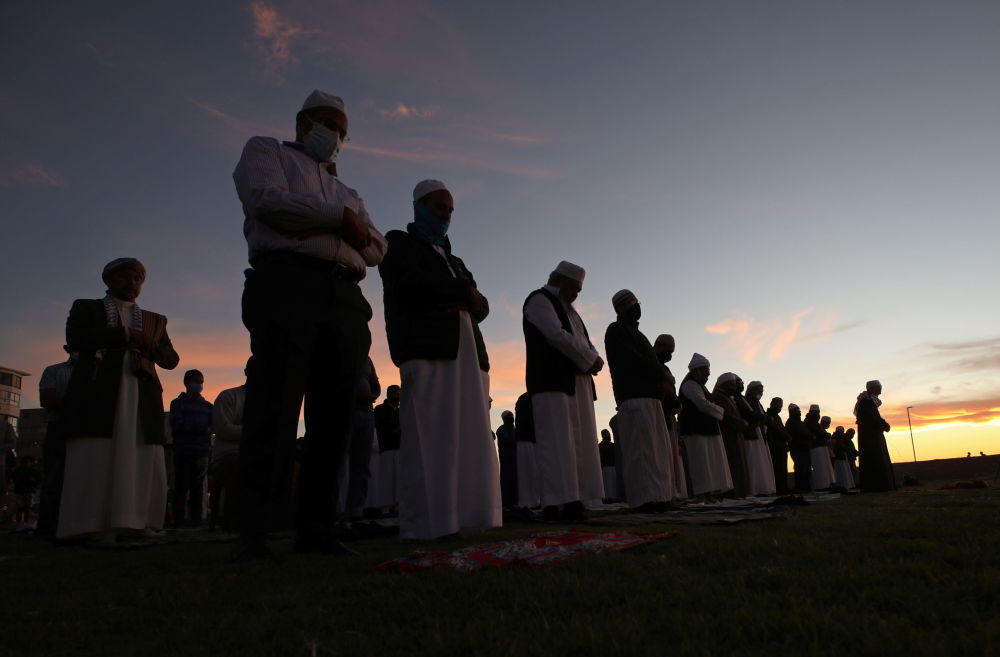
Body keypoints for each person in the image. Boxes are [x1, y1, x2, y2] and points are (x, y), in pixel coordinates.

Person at [234, 90, 387, 558]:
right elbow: (267, 202)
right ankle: (257, 529)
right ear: (303, 122)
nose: (335, 135)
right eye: (328, 124)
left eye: (342, 130)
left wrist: (322, 220)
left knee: (334, 415)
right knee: (275, 403)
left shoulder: (348, 192)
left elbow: (376, 249)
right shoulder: (268, 152)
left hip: (344, 296)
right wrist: (340, 222)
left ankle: (317, 529)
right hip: (286, 283)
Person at [379, 179, 500, 539]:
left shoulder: (455, 260)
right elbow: (410, 284)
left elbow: (483, 307)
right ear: (419, 207)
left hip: (467, 353)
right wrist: (463, 293)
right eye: (438, 208)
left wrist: (464, 296)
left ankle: (468, 515)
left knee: (468, 436)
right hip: (427, 348)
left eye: (450, 210)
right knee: (431, 437)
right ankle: (429, 522)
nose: (445, 215)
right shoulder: (398, 243)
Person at [58, 258, 179, 543]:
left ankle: (138, 522)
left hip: (142, 394)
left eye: (137, 279)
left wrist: (147, 344)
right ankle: (92, 525)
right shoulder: (87, 308)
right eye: (125, 277)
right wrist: (124, 334)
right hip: (97, 392)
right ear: (110, 280)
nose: (132, 283)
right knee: (97, 454)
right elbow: (77, 338)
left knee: (142, 454)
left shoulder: (155, 320)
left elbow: (171, 359)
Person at [522, 261, 605, 521]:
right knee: (556, 443)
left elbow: (584, 342)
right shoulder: (539, 300)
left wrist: (594, 357)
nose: (576, 294)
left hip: (575, 383)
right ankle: (555, 502)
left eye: (579, 290)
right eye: (573, 288)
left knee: (576, 443)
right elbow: (555, 335)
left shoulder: (573, 313)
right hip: (551, 382)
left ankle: (574, 499)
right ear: (558, 281)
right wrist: (589, 359)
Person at [604, 290, 678, 511]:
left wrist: (661, 382)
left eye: (636, 301)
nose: (635, 305)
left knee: (656, 452)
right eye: (629, 302)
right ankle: (645, 499)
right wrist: (661, 375)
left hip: (652, 398)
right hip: (634, 397)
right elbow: (630, 360)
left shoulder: (639, 335)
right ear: (619, 307)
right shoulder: (615, 330)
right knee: (641, 451)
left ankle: (660, 496)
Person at [35, 348, 76, 537]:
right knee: (54, 475)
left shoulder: (98, 370)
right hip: (58, 426)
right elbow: (47, 398)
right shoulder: (54, 370)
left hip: (84, 428)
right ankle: (48, 525)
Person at [678, 354, 732, 499]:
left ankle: (710, 493)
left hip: (707, 429)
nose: (708, 374)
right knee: (701, 463)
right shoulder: (690, 385)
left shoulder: (700, 385)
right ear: (696, 370)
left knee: (712, 463)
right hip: (695, 429)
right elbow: (702, 404)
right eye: (705, 370)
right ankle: (702, 494)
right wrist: (721, 411)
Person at [169, 369, 213, 527]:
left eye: (201, 382)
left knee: (198, 489)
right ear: (186, 382)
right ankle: (179, 522)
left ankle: (196, 522)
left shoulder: (208, 407)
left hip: (201, 452)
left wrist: (200, 430)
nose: (199, 385)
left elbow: (213, 427)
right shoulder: (177, 403)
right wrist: (201, 429)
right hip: (183, 452)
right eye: (196, 381)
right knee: (181, 487)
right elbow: (177, 425)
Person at [209, 362, 248, 532]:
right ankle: (232, 521)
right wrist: (253, 432)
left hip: (254, 453)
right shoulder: (229, 396)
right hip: (228, 455)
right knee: (237, 464)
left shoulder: (267, 401)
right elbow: (223, 429)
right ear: (247, 372)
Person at [343, 357, 380, 520]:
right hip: (345, 412)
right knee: (339, 463)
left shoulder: (367, 359)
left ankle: (356, 509)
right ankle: (335, 510)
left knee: (362, 464)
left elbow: (375, 382)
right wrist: (358, 394)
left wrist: (373, 395)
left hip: (367, 414)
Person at [653, 334, 688, 501]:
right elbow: (661, 388)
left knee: (671, 456)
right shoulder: (652, 364)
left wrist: (677, 404)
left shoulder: (664, 367)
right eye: (668, 351)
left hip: (668, 416)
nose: (670, 355)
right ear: (659, 346)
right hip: (657, 414)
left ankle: (672, 492)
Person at [712, 373, 750, 498]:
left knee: (738, 465)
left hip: (735, 435)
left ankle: (739, 493)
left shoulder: (728, 397)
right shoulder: (718, 397)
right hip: (727, 436)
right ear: (724, 384)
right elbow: (725, 416)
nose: (734, 387)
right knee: (731, 465)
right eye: (732, 384)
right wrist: (741, 423)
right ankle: (732, 494)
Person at [855, 380, 895, 492]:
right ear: (871, 388)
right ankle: (878, 486)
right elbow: (872, 418)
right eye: (878, 387)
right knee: (876, 459)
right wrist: (884, 425)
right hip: (871, 437)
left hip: (872, 435)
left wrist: (883, 424)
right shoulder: (866, 402)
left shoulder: (869, 401)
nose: (880, 388)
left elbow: (875, 416)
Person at [742, 381, 776, 496]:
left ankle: (763, 488)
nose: (761, 393)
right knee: (754, 463)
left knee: (762, 463)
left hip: (761, 436)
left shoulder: (758, 403)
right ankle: (755, 489)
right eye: (759, 391)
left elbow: (763, 417)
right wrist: (765, 418)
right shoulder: (746, 401)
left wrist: (767, 419)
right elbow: (752, 415)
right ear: (751, 390)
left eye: (762, 391)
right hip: (752, 436)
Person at [373, 385, 401, 514]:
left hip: (399, 448)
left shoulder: (400, 410)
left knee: (398, 479)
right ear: (389, 394)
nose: (397, 397)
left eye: (399, 394)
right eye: (395, 394)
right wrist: (396, 429)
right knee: (386, 479)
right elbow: (382, 426)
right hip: (386, 448)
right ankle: (385, 507)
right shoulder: (380, 409)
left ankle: (396, 505)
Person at [514, 392, 540, 509]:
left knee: (526, 473)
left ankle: (529, 501)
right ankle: (533, 501)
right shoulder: (530, 398)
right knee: (532, 472)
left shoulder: (523, 398)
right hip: (530, 439)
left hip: (525, 439)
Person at [764, 397, 790, 495]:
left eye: (781, 406)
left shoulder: (776, 416)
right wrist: (787, 437)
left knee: (783, 469)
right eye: (778, 405)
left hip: (781, 446)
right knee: (778, 469)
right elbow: (776, 430)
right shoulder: (769, 415)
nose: (779, 407)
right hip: (775, 446)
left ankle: (783, 488)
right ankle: (780, 489)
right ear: (772, 404)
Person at [785, 404, 812, 493]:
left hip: (804, 448)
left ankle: (806, 487)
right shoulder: (791, 422)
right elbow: (802, 433)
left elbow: (806, 432)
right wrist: (810, 436)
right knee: (800, 468)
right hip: (797, 448)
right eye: (797, 410)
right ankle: (799, 487)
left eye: (798, 409)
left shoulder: (800, 422)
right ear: (792, 411)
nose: (799, 411)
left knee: (807, 468)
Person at [495, 411, 518, 508]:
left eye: (511, 416)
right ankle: (507, 503)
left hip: (514, 459)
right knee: (507, 480)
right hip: (507, 459)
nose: (511, 418)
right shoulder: (502, 429)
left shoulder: (514, 429)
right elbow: (508, 441)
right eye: (509, 416)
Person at [12, 455, 40, 529]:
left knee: (26, 508)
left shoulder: (32, 471)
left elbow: (38, 480)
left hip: (26, 491)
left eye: (27, 462)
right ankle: (21, 523)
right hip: (22, 491)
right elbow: (15, 480)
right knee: (21, 508)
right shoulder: (19, 471)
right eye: (25, 462)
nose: (26, 463)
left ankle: (24, 523)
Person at [598, 430, 617, 502]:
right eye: (607, 434)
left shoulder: (601, 446)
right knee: (608, 485)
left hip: (610, 467)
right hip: (606, 467)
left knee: (610, 485)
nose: (609, 435)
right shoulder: (602, 446)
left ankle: (610, 498)